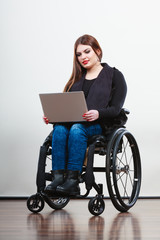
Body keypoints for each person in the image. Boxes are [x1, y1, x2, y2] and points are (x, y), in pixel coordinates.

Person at [43, 34, 127, 196]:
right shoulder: (76, 79)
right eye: (79, 54)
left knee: (77, 128)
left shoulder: (114, 75)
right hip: (74, 124)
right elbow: (66, 106)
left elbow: (116, 109)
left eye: (87, 52)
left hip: (99, 126)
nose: (83, 57)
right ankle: (58, 178)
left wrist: (98, 113)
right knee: (60, 128)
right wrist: (53, 116)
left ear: (97, 51)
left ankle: (73, 181)